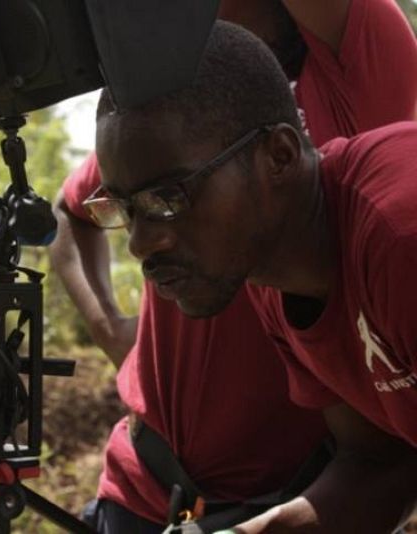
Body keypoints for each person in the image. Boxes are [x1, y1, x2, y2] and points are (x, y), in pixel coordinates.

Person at [49, 0, 417, 531]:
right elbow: (378, 461)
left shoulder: (396, 229)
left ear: (281, 157)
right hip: (152, 489)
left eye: (168, 197)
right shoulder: (268, 271)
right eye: (126, 210)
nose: (139, 243)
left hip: (280, 479)